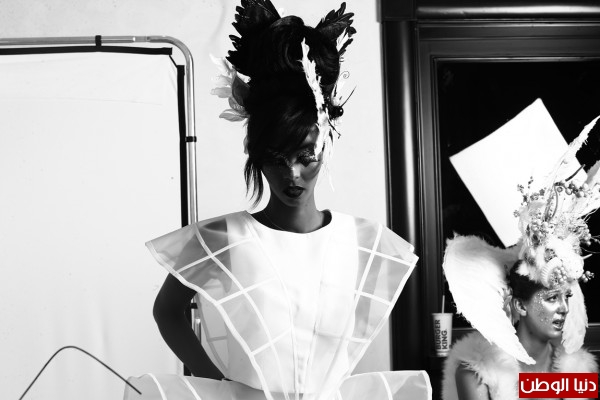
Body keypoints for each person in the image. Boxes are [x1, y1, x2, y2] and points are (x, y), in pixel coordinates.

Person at [124, 1, 431, 399]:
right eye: (275, 157)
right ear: (256, 155)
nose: (292, 174)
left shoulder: (366, 243)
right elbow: (167, 311)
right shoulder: (222, 237)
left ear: (326, 147)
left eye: (306, 156)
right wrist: (215, 383)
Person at [441, 118, 600, 400]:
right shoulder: (476, 373)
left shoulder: (579, 371)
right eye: (551, 298)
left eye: (566, 296)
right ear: (519, 305)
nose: (564, 308)